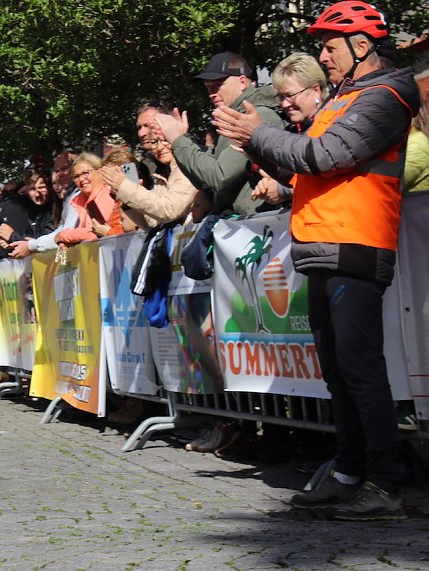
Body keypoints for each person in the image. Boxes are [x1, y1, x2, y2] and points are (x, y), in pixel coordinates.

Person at [212, 1, 420, 521]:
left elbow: (325, 155)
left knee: (358, 369)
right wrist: (261, 139)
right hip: (324, 245)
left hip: (357, 243)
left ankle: (385, 484)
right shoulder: (346, 97)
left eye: (330, 46)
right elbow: (309, 163)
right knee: (337, 373)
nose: (322, 56)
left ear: (362, 46)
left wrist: (255, 135)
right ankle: (349, 474)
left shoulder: (387, 94)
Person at [157, 51, 285, 215]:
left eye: (217, 85)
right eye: (208, 87)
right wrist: (182, 141)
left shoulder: (255, 117)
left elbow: (219, 177)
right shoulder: (233, 118)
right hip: (245, 225)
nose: (211, 93)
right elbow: (205, 181)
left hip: (260, 226)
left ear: (242, 82)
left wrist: (179, 141)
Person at [250, 52, 330, 205]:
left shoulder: (334, 126)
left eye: (290, 95)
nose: (285, 104)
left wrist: (282, 190)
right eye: (280, 97)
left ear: (316, 90)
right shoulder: (294, 130)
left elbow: (330, 178)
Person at [101, 104, 197, 230]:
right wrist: (127, 198)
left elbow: (169, 210)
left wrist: (125, 187)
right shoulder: (160, 173)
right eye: (154, 142)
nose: (141, 133)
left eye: (164, 140)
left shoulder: (188, 164)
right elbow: (152, 224)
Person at [54, 153, 120, 246]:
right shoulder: (81, 200)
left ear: (100, 171)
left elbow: (95, 232)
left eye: (85, 173)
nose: (81, 179)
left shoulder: (106, 194)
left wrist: (63, 236)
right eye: (76, 176)